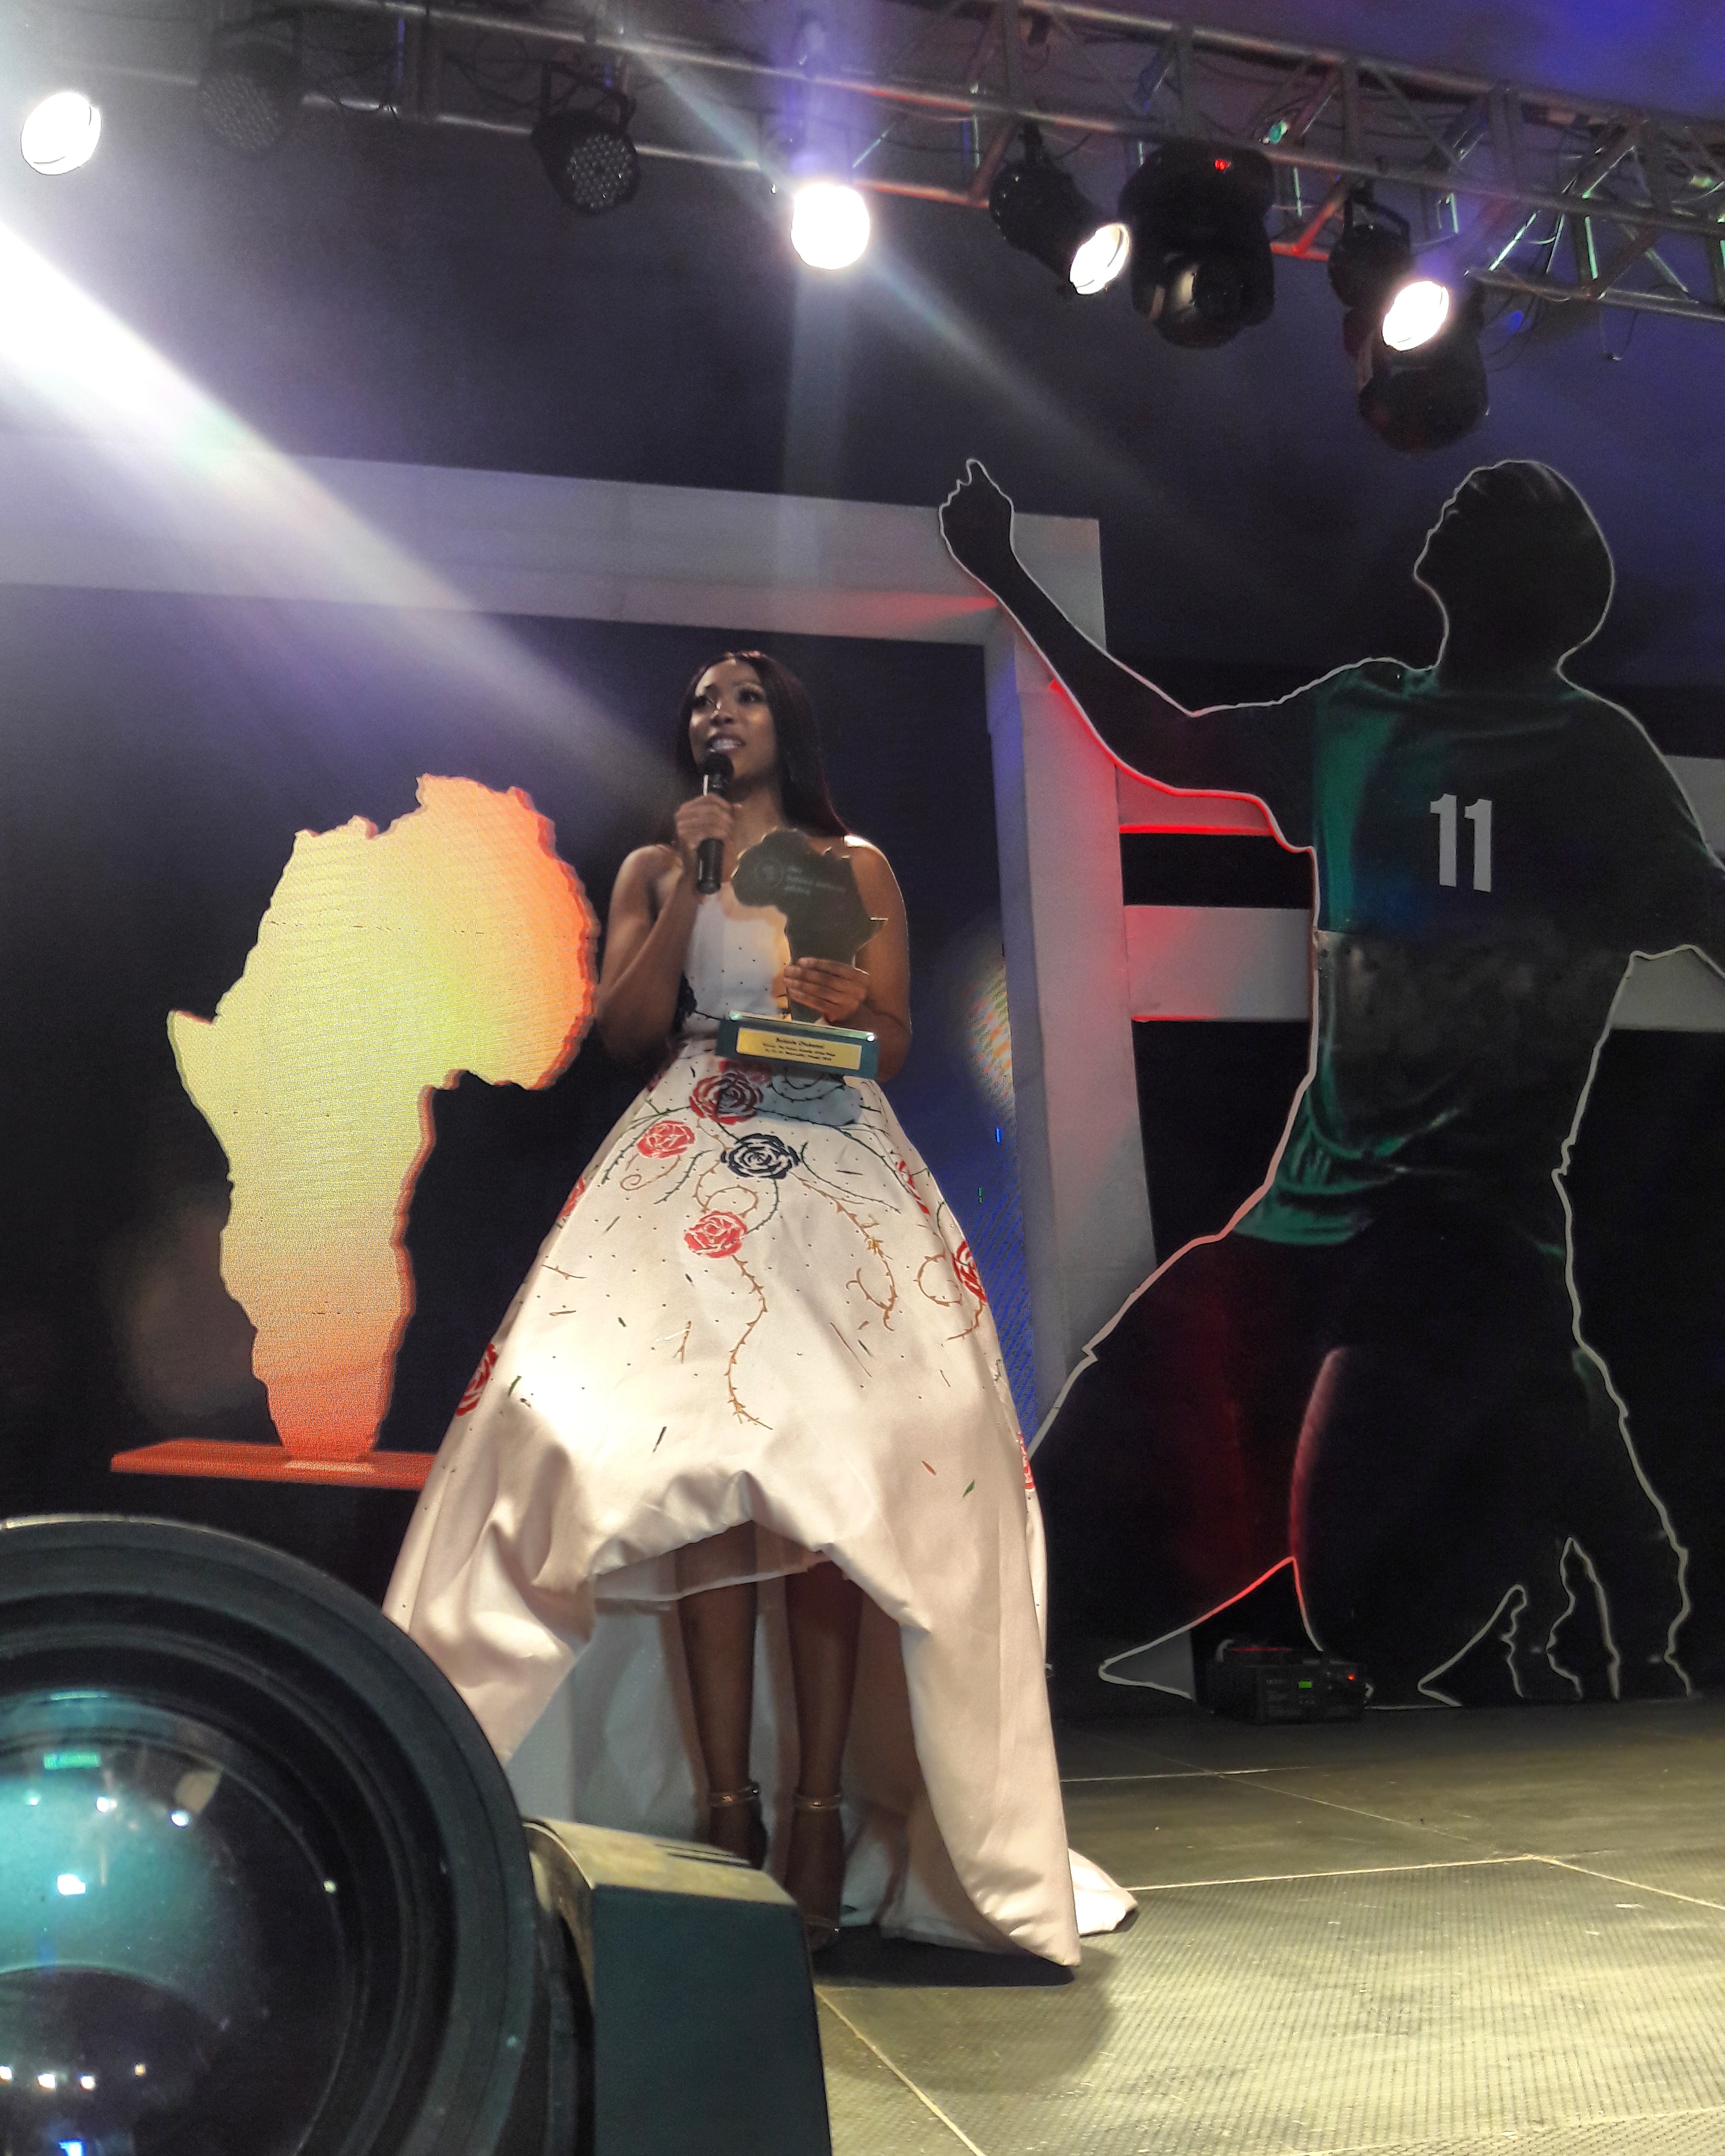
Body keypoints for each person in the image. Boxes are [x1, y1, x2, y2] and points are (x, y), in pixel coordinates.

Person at [940, 459, 1725, 1703]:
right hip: (1300, 1222)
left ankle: (1536, 1424)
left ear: (1545, 582)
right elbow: (1165, 741)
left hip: (1467, 1241)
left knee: (1364, 1602)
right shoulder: (1358, 711)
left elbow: (1708, 912)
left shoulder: (1594, 754)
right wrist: (1009, 575)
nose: (1477, 487)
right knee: (1063, 1575)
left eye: (1515, 502)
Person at [388, 651, 1129, 1960]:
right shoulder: (658, 864)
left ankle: (820, 1813)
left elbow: (894, 1038)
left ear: (786, 719)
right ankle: (723, 1807)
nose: (715, 714)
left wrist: (853, 1005)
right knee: (686, 1459)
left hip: (834, 1156)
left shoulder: (857, 866)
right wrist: (694, 884)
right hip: (691, 1147)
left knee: (840, 1473)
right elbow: (627, 1031)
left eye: (738, 696)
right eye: (699, 701)